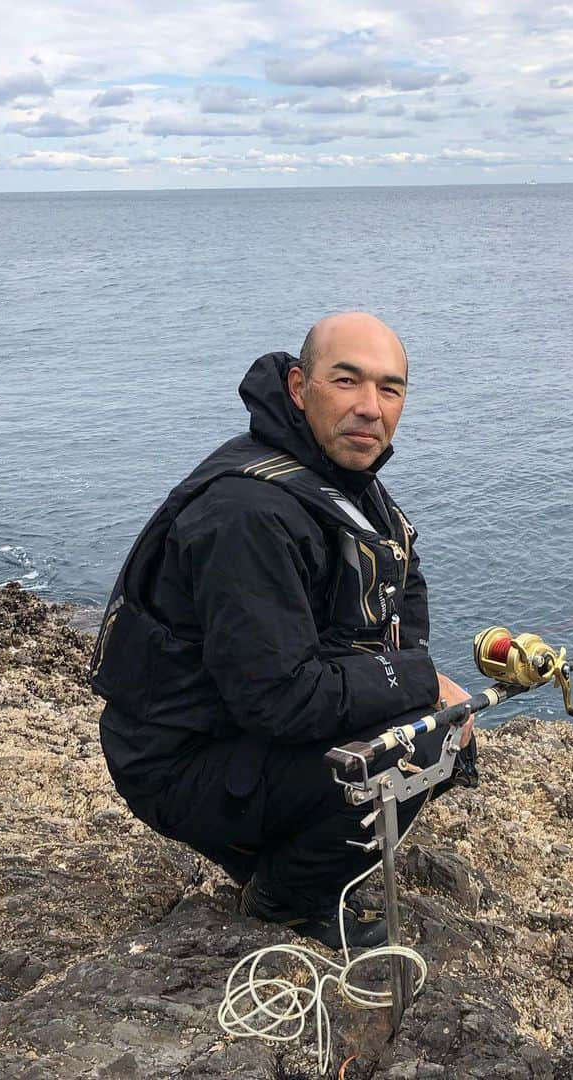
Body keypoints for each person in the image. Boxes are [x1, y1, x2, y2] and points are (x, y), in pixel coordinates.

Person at [89, 312, 473, 949]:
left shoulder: (344, 488)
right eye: (346, 381)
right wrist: (415, 683)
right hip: (178, 758)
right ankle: (287, 900)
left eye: (390, 389)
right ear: (299, 387)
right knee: (411, 749)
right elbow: (279, 697)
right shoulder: (248, 514)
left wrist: (417, 685)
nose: (370, 408)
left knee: (433, 724)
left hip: (234, 728)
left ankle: (274, 854)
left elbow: (403, 598)